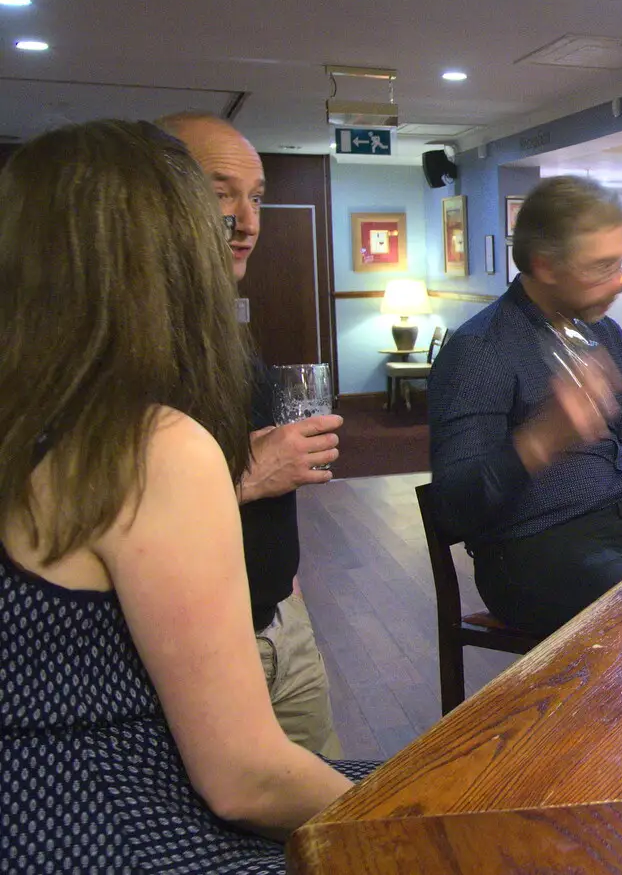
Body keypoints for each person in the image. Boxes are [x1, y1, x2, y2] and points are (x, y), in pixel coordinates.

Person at [0, 120, 374, 872]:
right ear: (166, 251)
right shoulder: (148, 445)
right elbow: (245, 777)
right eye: (215, 210)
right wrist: (421, 804)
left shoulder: (27, 415)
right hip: (107, 819)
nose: (239, 230)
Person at [430, 175, 622, 638]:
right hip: (530, 550)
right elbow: (454, 506)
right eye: (600, 267)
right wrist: (543, 437)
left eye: (620, 263)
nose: (617, 282)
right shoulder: (480, 348)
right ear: (545, 265)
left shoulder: (606, 334)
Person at [158, 112, 344, 757]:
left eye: (258, 196)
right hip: (194, 645)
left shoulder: (218, 327)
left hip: (281, 629)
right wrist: (251, 477)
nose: (249, 219)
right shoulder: (116, 343)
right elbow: (91, 517)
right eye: (220, 193)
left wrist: (287, 596)